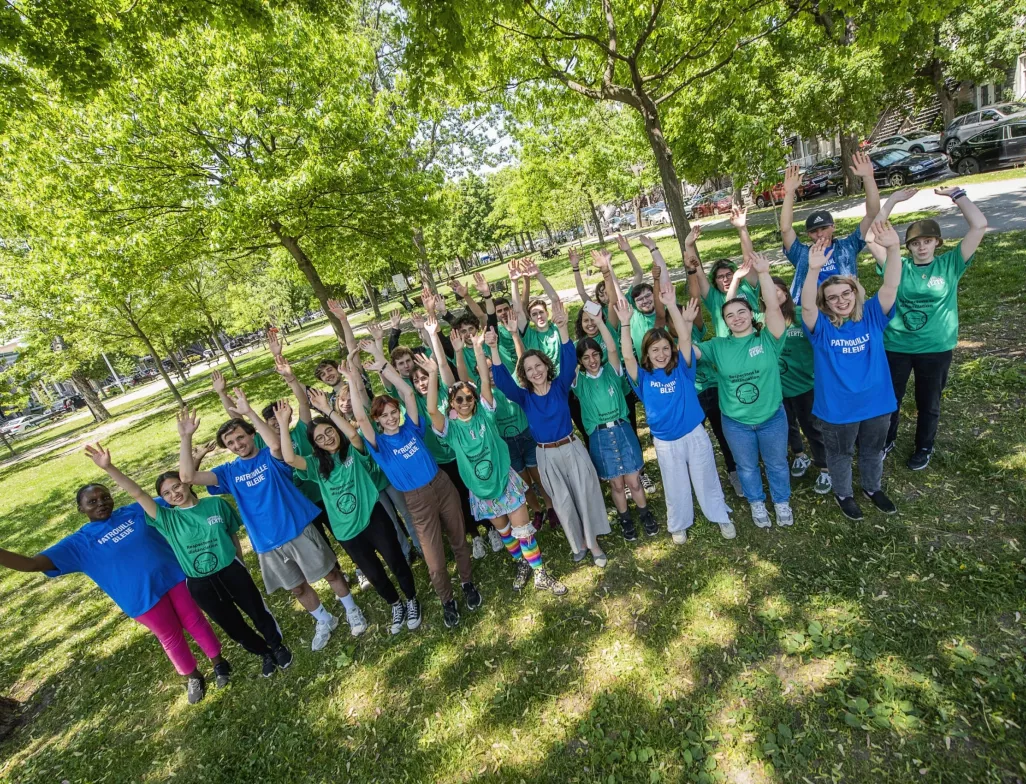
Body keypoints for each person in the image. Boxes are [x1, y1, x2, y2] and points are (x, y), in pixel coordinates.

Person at [0, 481, 225, 704]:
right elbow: (31, 564)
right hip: (140, 599)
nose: (101, 503)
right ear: (81, 509)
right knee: (170, 636)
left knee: (194, 620)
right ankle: (193, 676)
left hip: (174, 577)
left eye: (105, 497)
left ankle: (218, 663)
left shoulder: (134, 511)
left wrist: (189, 467)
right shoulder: (77, 545)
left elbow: (175, 496)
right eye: (92, 501)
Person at [85, 444, 292, 679]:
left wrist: (239, 562)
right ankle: (264, 653)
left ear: (186, 482)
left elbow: (232, 533)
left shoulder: (216, 505)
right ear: (163, 499)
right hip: (200, 583)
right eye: (167, 493)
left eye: (177, 486)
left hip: (231, 570)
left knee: (257, 612)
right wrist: (109, 468)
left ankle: (277, 646)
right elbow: (137, 493)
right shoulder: (166, 518)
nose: (175, 494)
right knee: (233, 626)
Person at [177, 393, 368, 649]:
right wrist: (185, 438)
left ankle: (351, 609)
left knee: (329, 572)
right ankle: (324, 619)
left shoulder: (271, 455)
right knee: (296, 588)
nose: (237, 444)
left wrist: (249, 413)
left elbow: (277, 446)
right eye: (231, 442)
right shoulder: (228, 472)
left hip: (296, 527)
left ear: (252, 434)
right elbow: (187, 477)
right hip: (266, 542)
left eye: (241, 437)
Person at [347, 345, 482, 630]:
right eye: (384, 416)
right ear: (377, 421)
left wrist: (384, 365)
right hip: (417, 500)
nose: (391, 418)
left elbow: (408, 393)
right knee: (435, 559)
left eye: (393, 412)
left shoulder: (411, 428)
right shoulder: (378, 445)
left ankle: (467, 583)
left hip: (442, 486)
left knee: (459, 540)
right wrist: (351, 379)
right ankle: (447, 600)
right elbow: (360, 419)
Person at [419, 340, 568, 595]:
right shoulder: (451, 430)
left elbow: (485, 384)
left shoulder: (486, 415)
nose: (465, 402)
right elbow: (432, 408)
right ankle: (521, 564)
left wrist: (478, 350)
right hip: (481, 490)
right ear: (452, 404)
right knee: (505, 532)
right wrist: (432, 374)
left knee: (522, 530)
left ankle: (540, 573)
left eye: (468, 398)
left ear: (475, 400)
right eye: (458, 399)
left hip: (505, 481)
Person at [273, 393, 422, 636]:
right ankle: (395, 604)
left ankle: (411, 600)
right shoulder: (315, 464)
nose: (327, 438)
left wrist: (326, 411)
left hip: (374, 517)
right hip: (346, 531)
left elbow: (352, 433)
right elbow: (289, 458)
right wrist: (282, 424)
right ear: (316, 445)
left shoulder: (353, 450)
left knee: (395, 560)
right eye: (320, 438)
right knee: (373, 572)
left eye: (329, 432)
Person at [864, 186, 988, 470]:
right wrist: (892, 200)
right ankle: (886, 440)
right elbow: (871, 236)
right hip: (896, 345)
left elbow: (979, 225)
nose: (922, 247)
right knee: (889, 399)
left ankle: (924, 446)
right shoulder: (899, 266)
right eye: (916, 243)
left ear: (937, 243)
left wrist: (957, 195)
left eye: (928, 241)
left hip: (935, 348)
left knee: (928, 401)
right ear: (908, 247)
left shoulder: (950, 265)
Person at [490, 297, 612, 567]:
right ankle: (577, 543)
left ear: (546, 367)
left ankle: (593, 542)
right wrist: (493, 348)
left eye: (539, 366)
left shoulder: (559, 386)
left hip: (571, 448)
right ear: (525, 374)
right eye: (529, 369)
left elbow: (569, 358)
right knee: (562, 500)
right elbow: (500, 380)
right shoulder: (524, 397)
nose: (535, 372)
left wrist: (564, 328)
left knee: (583, 493)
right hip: (545, 455)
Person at [801, 220, 904, 520]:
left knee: (873, 450)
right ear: (826, 304)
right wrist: (812, 270)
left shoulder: (872, 314)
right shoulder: (820, 327)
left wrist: (894, 248)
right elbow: (807, 307)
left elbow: (892, 285)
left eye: (845, 294)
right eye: (832, 298)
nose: (841, 300)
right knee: (840, 455)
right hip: (837, 409)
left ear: (855, 293)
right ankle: (844, 493)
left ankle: (873, 487)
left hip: (877, 402)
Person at [615, 290, 736, 543]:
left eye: (665, 349)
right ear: (646, 354)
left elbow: (684, 336)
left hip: (694, 434)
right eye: (654, 350)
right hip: (666, 441)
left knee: (706, 477)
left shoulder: (683, 368)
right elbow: (627, 355)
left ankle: (719, 514)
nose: (661, 354)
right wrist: (625, 323)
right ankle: (678, 523)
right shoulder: (643, 378)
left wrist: (670, 305)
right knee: (674, 484)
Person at [694, 252, 794, 529]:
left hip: (771, 417)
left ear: (751, 314)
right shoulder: (717, 346)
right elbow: (686, 352)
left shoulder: (769, 339)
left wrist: (763, 273)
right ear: (724, 321)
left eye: (741, 312)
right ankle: (756, 502)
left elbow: (774, 309)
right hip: (736, 422)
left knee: (776, 464)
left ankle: (782, 501)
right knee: (746, 467)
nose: (736, 318)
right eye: (730, 315)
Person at [573, 296, 657, 542]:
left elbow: (612, 348)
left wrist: (600, 323)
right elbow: (567, 362)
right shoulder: (579, 382)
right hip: (599, 436)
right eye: (586, 357)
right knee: (617, 485)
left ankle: (644, 514)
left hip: (622, 429)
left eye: (594, 355)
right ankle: (625, 519)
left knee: (633, 480)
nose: (592, 360)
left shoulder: (611, 370)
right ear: (580, 362)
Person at [760, 276, 832, 495]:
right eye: (767, 291)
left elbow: (823, 340)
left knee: (813, 427)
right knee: (787, 425)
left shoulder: (801, 315)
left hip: (806, 385)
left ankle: (826, 467)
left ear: (785, 292)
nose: (773, 294)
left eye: (777, 290)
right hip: (778, 387)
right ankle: (800, 456)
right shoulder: (761, 320)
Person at [780, 152, 881, 305]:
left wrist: (868, 178)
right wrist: (789, 193)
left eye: (824, 228)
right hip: (811, 313)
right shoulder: (801, 254)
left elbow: (872, 214)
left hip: (843, 307)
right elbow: (786, 229)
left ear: (833, 227)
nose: (819, 234)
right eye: (814, 231)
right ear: (808, 234)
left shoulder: (848, 246)